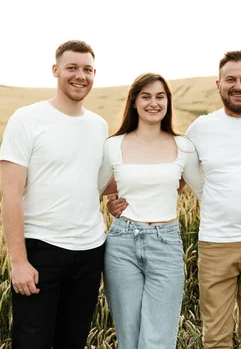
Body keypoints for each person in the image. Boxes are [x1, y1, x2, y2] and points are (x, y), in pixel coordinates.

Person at [109, 51, 241, 348]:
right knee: (215, 337)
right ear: (218, 83)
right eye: (230, 79)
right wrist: (124, 199)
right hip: (215, 243)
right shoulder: (201, 129)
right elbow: (171, 178)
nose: (238, 85)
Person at [0, 40, 108, 348]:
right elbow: (10, 195)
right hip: (41, 251)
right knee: (30, 340)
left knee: (73, 341)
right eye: (72, 68)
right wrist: (19, 260)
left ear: (94, 73)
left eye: (87, 69)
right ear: (56, 70)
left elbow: (94, 184)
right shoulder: (27, 119)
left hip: (90, 250)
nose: (80, 76)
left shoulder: (98, 126)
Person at [98, 73, 203, 348]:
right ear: (134, 102)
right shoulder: (113, 145)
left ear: (168, 102)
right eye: (145, 96)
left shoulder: (184, 147)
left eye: (160, 96)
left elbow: (206, 193)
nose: (153, 103)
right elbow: (93, 190)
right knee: (129, 336)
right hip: (122, 243)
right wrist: (111, 202)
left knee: (158, 338)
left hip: (166, 243)